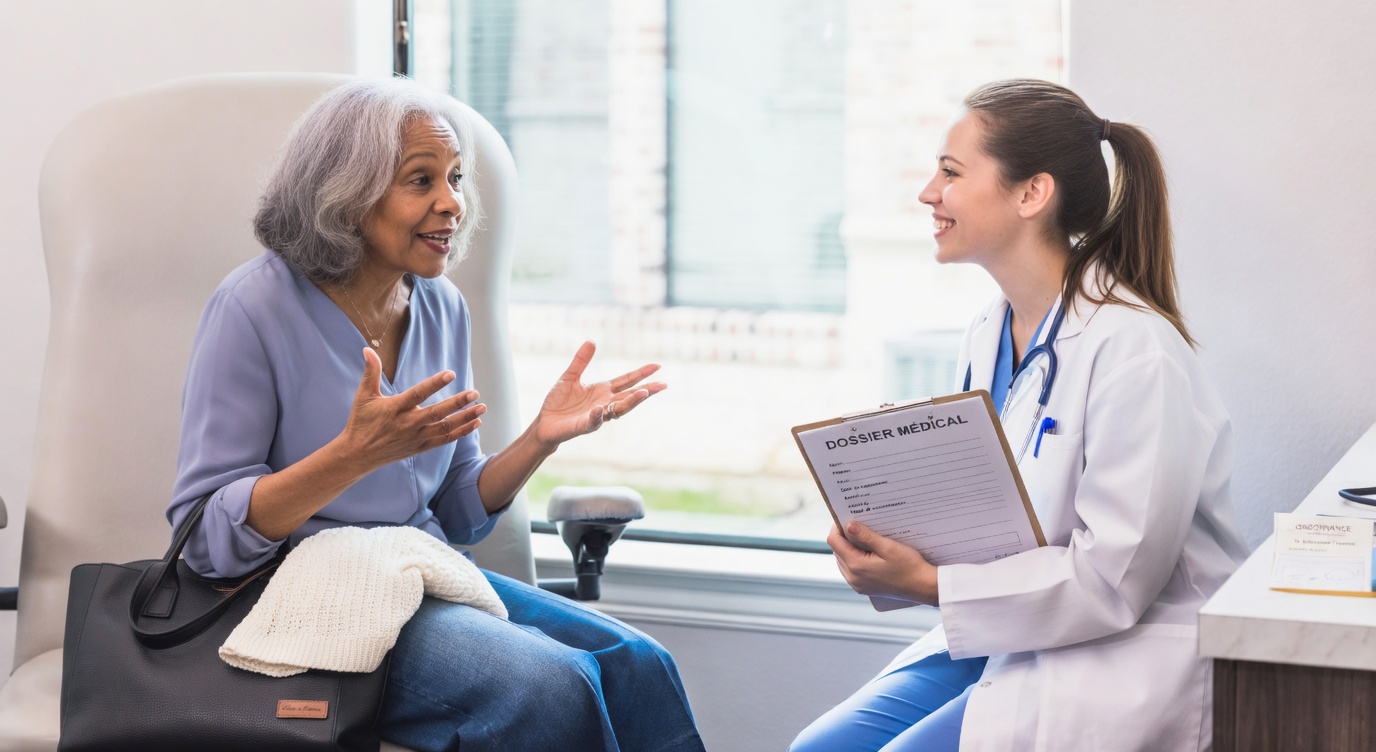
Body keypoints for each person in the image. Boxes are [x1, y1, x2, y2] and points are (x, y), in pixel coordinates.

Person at [167, 77, 705, 752]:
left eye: (454, 178)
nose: (451, 203)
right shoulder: (253, 308)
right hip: (301, 596)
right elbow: (207, 540)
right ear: (348, 194)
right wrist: (351, 456)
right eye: (420, 181)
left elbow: (455, 508)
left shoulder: (440, 304)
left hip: (414, 572)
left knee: (638, 665)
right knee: (552, 686)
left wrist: (539, 439)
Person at [791, 79, 1250, 751]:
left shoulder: (1134, 351)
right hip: (1012, 630)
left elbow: (1114, 582)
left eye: (950, 172)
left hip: (1120, 652)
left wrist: (931, 582)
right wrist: (893, 542)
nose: (928, 193)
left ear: (1032, 194)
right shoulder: (987, 332)